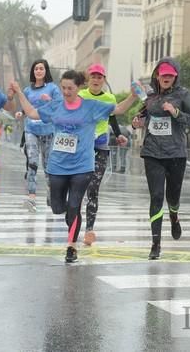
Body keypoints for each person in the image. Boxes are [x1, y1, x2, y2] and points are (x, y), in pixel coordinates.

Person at [11, 70, 139, 263]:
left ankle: (71, 246)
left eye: (70, 88)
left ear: (79, 87)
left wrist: (133, 96)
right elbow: (31, 113)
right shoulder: (55, 106)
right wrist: (20, 92)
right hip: (57, 166)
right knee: (58, 207)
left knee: (74, 206)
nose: (66, 91)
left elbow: (118, 109)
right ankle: (67, 220)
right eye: (63, 88)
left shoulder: (91, 106)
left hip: (82, 165)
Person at [132, 57, 190, 260]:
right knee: (156, 197)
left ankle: (174, 216)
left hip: (175, 154)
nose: (166, 78)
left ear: (175, 76)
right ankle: (156, 243)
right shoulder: (150, 97)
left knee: (173, 196)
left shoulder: (183, 95)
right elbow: (141, 116)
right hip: (152, 153)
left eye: (170, 75)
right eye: (163, 75)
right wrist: (137, 122)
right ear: (157, 75)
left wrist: (176, 112)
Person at [78, 63, 128, 246]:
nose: (96, 80)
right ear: (88, 79)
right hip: (82, 148)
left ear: (104, 80)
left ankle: (89, 229)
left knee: (93, 188)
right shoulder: (81, 95)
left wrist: (118, 134)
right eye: (93, 76)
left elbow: (112, 117)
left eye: (100, 77)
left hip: (101, 148)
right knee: (78, 187)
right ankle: (74, 224)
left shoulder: (109, 98)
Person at [15, 59, 61, 211]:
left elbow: (61, 105)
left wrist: (50, 100)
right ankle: (32, 197)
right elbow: (25, 106)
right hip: (31, 130)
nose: (38, 71)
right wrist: (20, 112)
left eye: (41, 68)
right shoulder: (28, 91)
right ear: (33, 72)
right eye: (36, 69)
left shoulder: (53, 88)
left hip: (48, 130)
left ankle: (51, 192)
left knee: (48, 164)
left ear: (46, 71)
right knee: (32, 162)